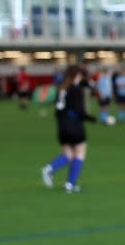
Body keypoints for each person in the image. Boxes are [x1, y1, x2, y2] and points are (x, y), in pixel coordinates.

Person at [40, 65, 94, 193]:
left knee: (69, 154)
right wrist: (91, 119)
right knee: (81, 150)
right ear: (77, 76)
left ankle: (49, 169)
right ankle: (69, 183)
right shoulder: (76, 89)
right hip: (74, 125)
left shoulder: (61, 89)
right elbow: (80, 111)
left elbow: (57, 109)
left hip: (62, 125)